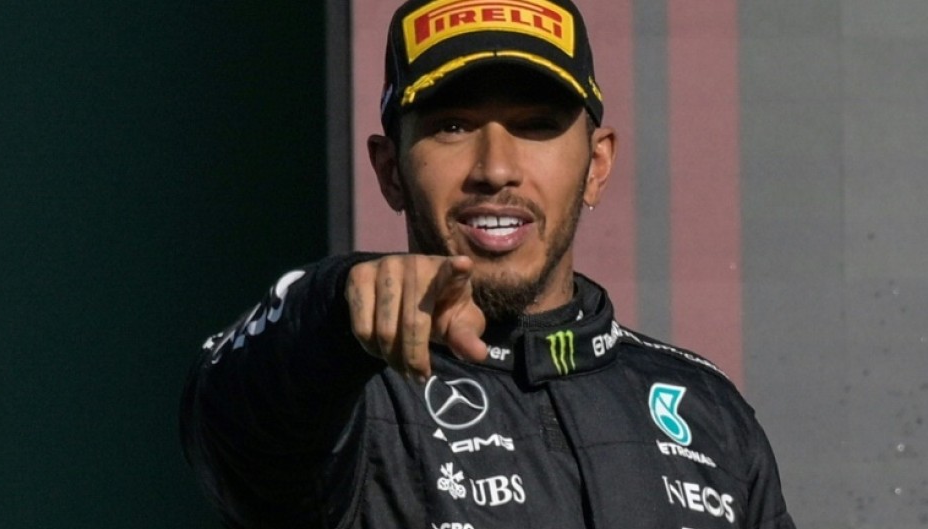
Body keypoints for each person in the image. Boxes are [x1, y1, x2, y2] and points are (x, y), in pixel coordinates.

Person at [180, 0, 797, 528]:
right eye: (452, 126)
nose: (495, 168)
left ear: (597, 165)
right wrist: (335, 302)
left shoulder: (706, 409)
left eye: (536, 126)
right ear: (390, 170)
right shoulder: (349, 398)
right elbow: (239, 420)